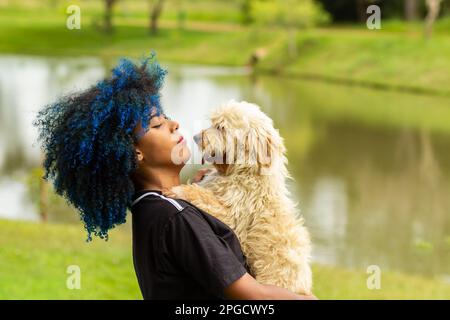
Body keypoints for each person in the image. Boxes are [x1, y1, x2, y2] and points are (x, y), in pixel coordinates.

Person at [34, 54, 316, 300]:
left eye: (166, 117)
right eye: (157, 124)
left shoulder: (154, 208)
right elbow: (250, 297)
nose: (174, 124)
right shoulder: (176, 217)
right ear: (134, 154)